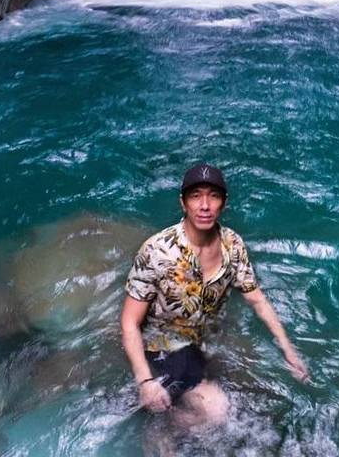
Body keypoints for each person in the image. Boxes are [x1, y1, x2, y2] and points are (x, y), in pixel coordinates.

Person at [120, 163, 308, 428]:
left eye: (214, 196)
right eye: (196, 196)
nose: (205, 205)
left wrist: (288, 349)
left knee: (259, 400)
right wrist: (145, 382)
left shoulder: (233, 245)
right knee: (217, 410)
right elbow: (129, 322)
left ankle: (166, 426)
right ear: (183, 202)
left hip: (207, 340)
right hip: (163, 344)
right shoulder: (157, 251)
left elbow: (256, 299)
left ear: (224, 203)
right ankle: (160, 432)